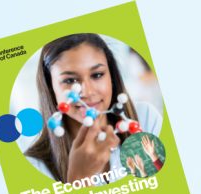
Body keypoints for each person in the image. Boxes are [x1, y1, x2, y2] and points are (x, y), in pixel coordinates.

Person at [25, 33, 162, 184]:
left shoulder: (145, 118)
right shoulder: (33, 166)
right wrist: (79, 179)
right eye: (69, 80)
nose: (88, 92)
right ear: (51, 88)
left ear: (111, 77)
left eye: (97, 75)